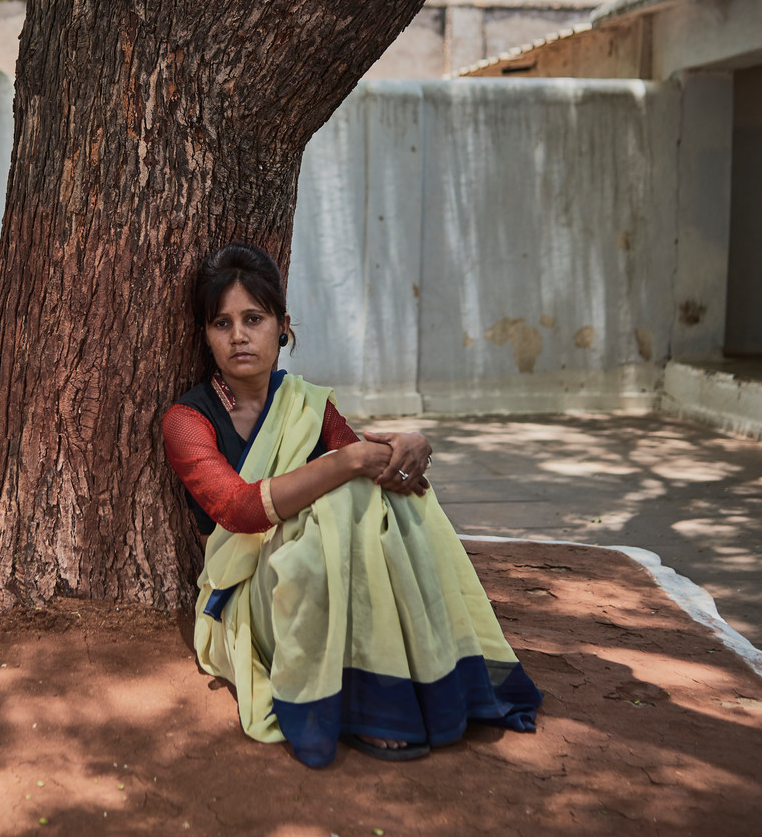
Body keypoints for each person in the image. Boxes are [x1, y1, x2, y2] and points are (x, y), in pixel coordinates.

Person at [163, 242, 542, 768]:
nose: (239, 336)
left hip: (321, 567)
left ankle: (422, 679)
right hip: (249, 590)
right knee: (344, 500)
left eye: (254, 318)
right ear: (206, 335)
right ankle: (373, 703)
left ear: (282, 326)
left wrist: (413, 445)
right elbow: (238, 510)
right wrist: (348, 463)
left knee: (377, 501)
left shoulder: (306, 403)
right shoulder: (188, 419)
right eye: (221, 323)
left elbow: (370, 470)